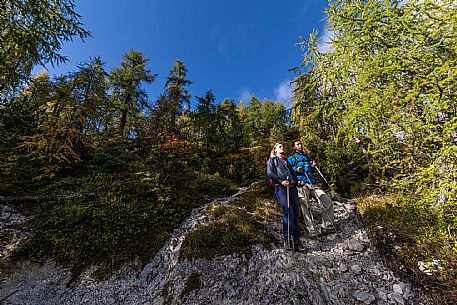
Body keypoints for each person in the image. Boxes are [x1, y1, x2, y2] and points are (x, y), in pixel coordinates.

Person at [288, 139, 335, 238]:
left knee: (326, 200)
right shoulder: (292, 158)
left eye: (300, 144)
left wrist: (313, 166)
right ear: (293, 147)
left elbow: (309, 169)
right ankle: (312, 231)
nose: (300, 145)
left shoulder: (306, 157)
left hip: (311, 183)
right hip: (301, 184)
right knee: (306, 207)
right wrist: (296, 169)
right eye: (297, 144)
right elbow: (287, 171)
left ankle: (327, 226)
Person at [266, 142, 302, 252]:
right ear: (275, 150)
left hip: (292, 188)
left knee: (296, 213)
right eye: (280, 147)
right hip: (281, 188)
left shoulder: (286, 161)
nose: (282, 148)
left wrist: (296, 182)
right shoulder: (272, 160)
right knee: (288, 212)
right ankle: (287, 239)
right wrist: (281, 181)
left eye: (283, 146)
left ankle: (297, 241)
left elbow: (292, 174)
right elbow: (270, 173)